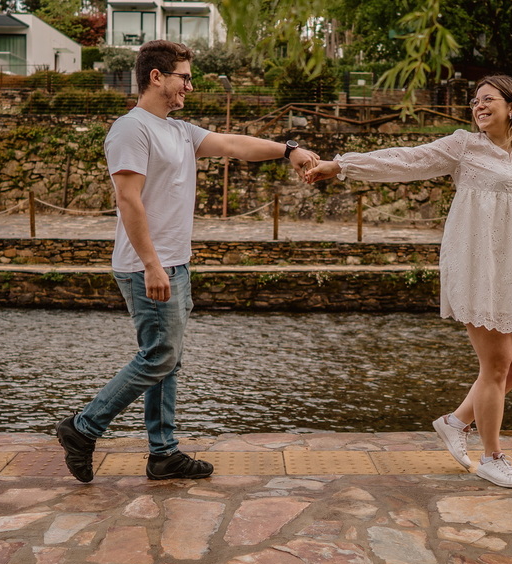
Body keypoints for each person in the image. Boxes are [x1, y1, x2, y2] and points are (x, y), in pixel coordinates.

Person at [305, 75, 512, 488]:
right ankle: (492, 456)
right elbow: (407, 160)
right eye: (474, 101)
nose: (478, 106)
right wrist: (342, 165)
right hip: (476, 265)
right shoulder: (465, 146)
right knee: (497, 364)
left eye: (488, 99)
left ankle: (455, 422)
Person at [56, 39, 319, 483]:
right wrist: (151, 264)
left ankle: (163, 454)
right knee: (159, 356)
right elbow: (128, 199)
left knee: (167, 359)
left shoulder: (179, 131)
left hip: (175, 263)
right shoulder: (130, 129)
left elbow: (233, 144)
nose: (190, 87)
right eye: (185, 77)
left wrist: (287, 149)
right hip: (148, 266)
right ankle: (83, 428)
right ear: (156, 76)